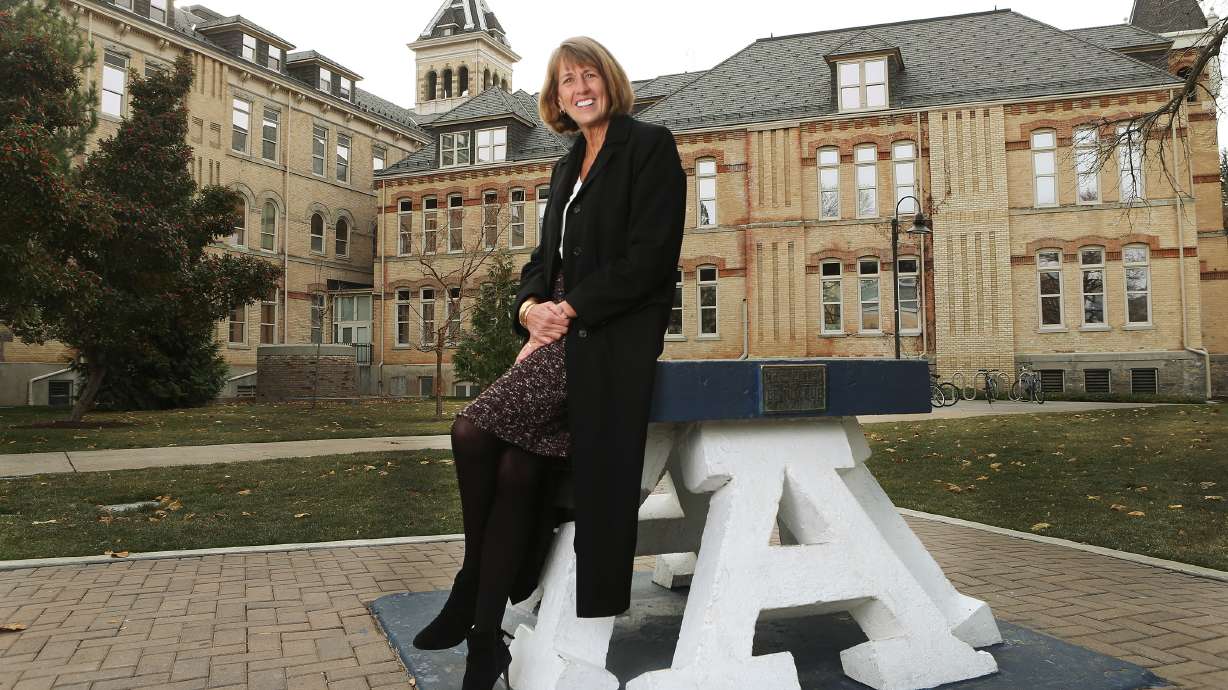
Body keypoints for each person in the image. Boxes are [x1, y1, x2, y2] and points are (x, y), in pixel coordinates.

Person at [409, 35, 686, 690]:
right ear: (555, 95)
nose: (578, 88)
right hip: (559, 330)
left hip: (609, 335)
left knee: (471, 429)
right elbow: (542, 265)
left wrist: (570, 311)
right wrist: (530, 306)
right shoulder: (564, 166)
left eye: (588, 75)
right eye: (566, 81)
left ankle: (474, 585)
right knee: (512, 466)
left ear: (608, 81)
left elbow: (651, 257)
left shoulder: (648, 147)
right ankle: (485, 641)